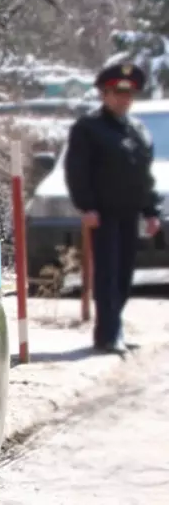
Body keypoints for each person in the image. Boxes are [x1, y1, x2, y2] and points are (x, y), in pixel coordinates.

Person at [64, 61, 162, 354]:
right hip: (103, 213)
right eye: (117, 94)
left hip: (129, 213)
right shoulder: (89, 128)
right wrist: (87, 206)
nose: (124, 100)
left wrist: (151, 211)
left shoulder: (137, 130)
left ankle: (111, 330)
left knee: (124, 276)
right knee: (107, 274)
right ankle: (109, 334)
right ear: (104, 95)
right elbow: (77, 170)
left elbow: (143, 176)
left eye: (128, 95)